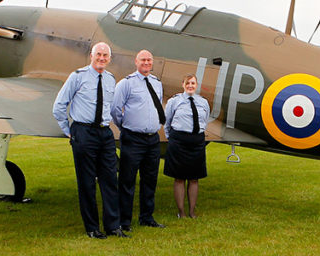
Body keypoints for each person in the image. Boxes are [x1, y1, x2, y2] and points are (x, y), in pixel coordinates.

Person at [52, 42, 128, 239]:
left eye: (105, 55)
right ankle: (92, 228)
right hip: (83, 132)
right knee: (87, 182)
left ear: (109, 59)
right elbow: (59, 105)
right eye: (98, 55)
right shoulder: (78, 76)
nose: (102, 58)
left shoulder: (111, 79)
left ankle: (113, 226)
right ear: (91, 56)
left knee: (110, 180)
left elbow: (111, 108)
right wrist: (68, 130)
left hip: (104, 133)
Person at [111, 50, 166, 231]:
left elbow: (157, 106)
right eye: (143, 59)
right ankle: (124, 221)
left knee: (150, 180)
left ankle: (147, 217)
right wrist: (125, 128)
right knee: (127, 181)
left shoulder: (157, 83)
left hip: (152, 139)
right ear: (136, 61)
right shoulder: (126, 84)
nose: (146, 63)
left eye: (149, 60)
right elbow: (115, 110)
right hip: (133, 138)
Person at [162, 74, 209, 219]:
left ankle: (192, 211)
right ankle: (181, 211)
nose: (190, 86)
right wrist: (174, 139)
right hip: (178, 142)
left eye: (193, 83)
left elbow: (205, 120)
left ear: (196, 85)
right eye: (187, 83)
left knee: (195, 178)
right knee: (179, 178)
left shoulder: (203, 102)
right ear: (183, 84)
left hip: (197, 142)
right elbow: (167, 123)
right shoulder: (174, 101)